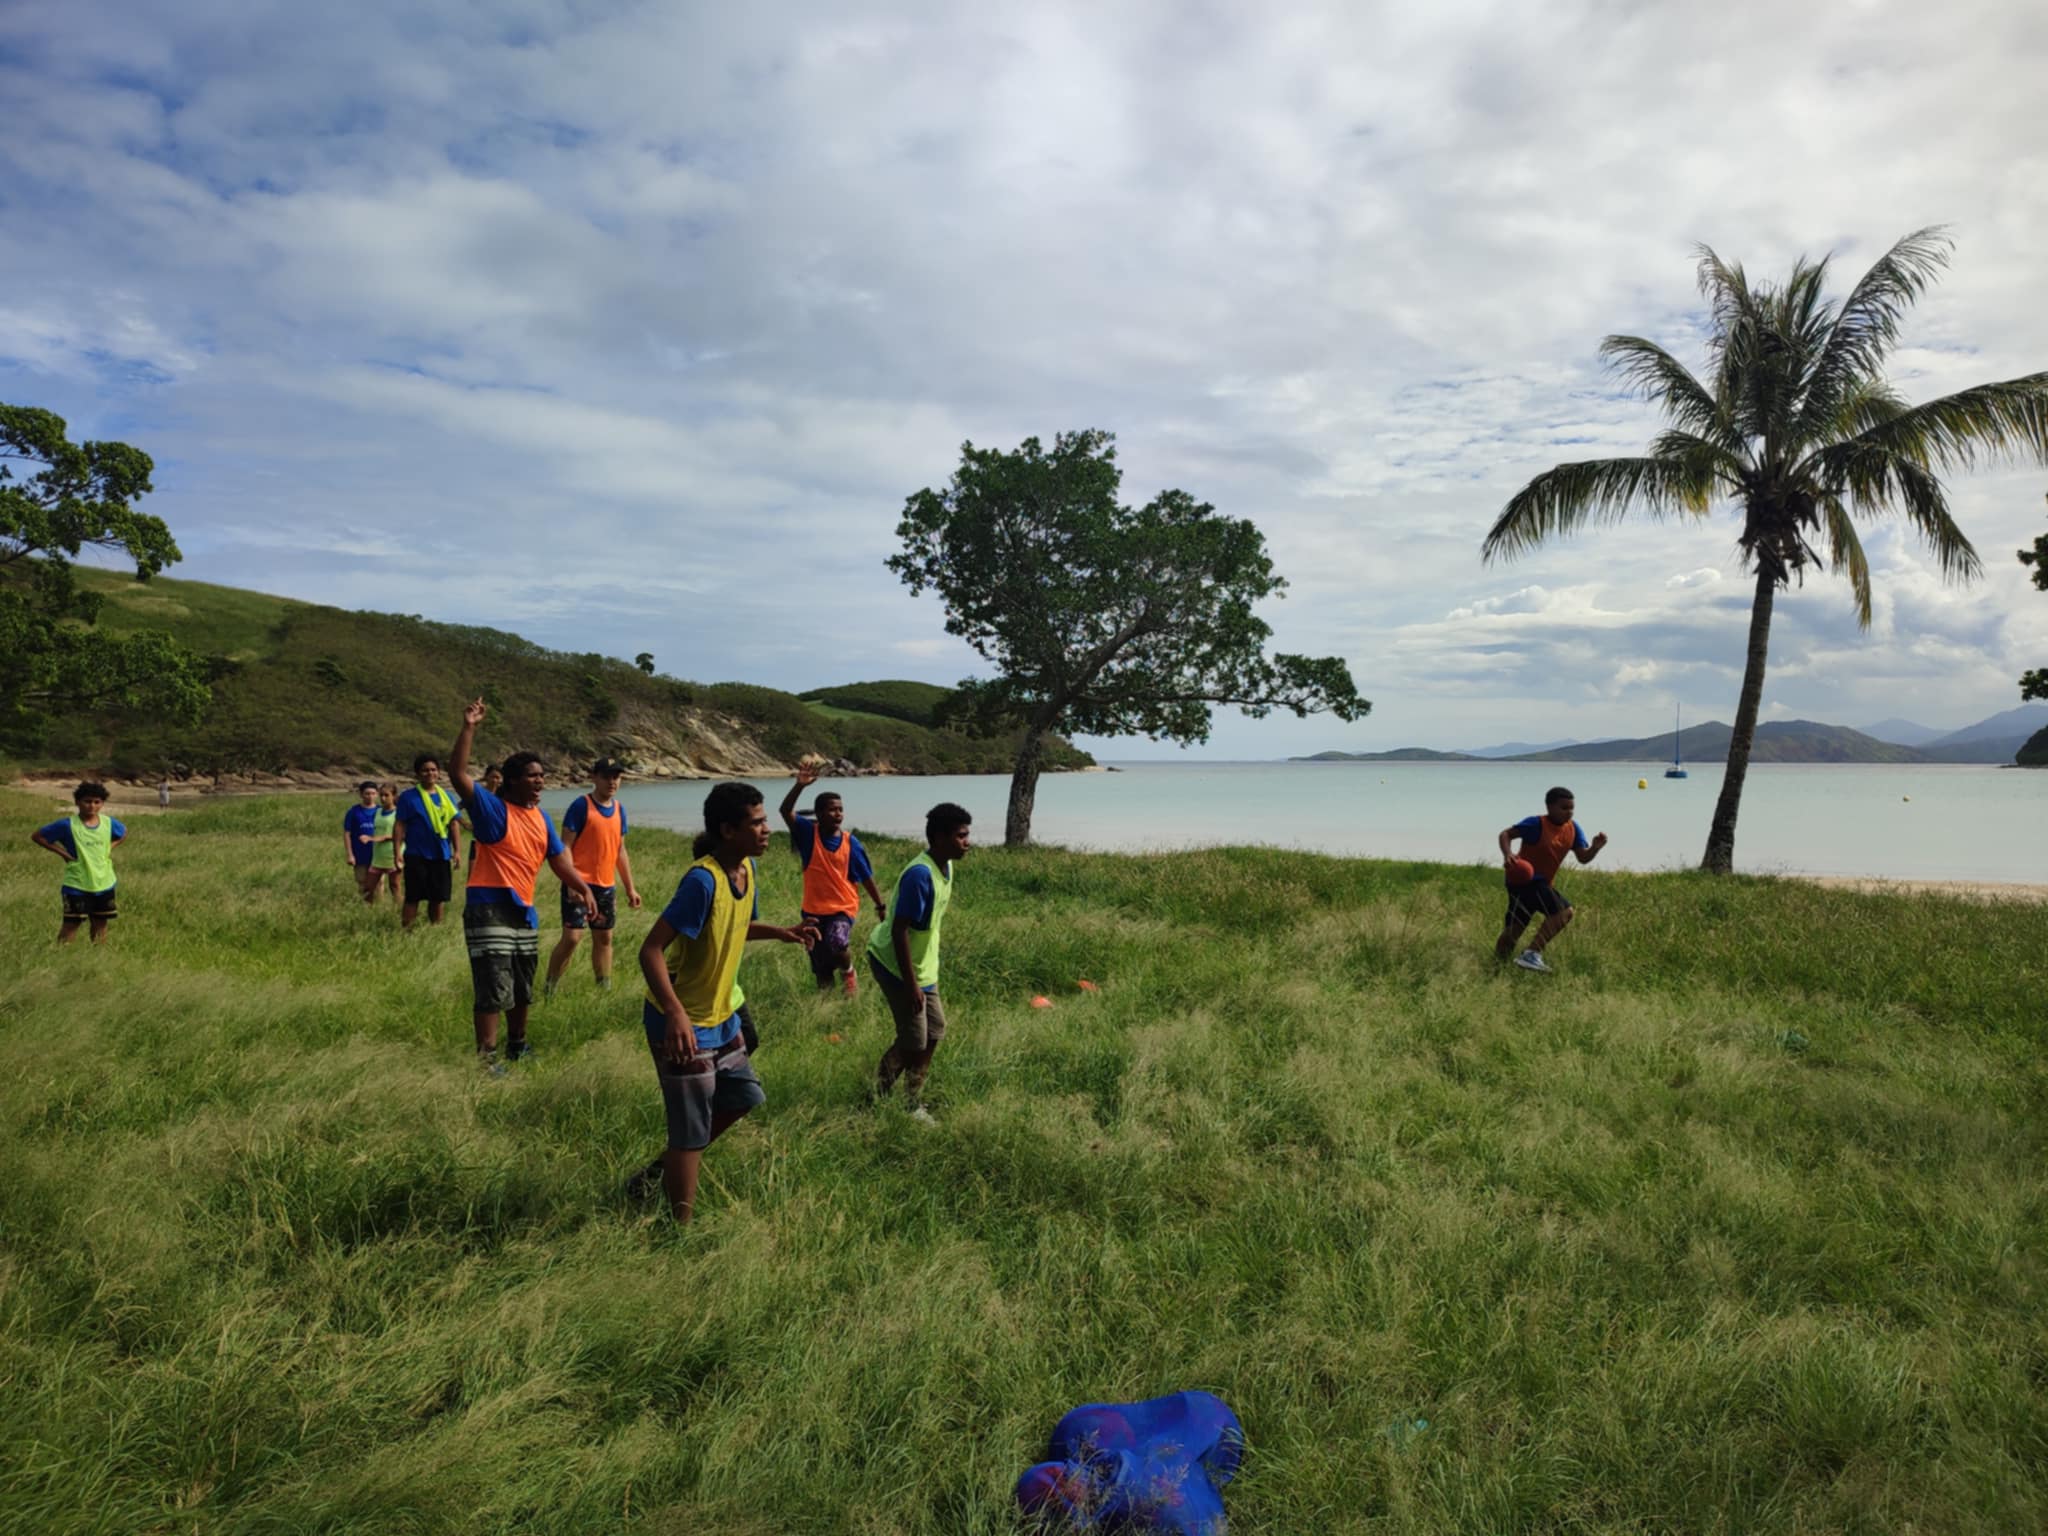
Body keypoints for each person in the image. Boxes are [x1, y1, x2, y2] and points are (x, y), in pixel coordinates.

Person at [627, 782, 815, 1223]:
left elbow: (735, 925)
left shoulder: (746, 869)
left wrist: (781, 933)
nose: (767, 829)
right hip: (684, 1022)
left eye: (765, 820)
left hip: (722, 1017)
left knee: (743, 1097)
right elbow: (650, 950)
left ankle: (661, 1172)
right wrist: (675, 1014)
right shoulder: (702, 880)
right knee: (689, 1131)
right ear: (728, 830)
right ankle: (680, 1230)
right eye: (758, 823)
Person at [447, 698, 599, 1070]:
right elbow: (457, 774)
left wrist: (582, 886)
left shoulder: (541, 818)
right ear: (512, 780)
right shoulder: (493, 809)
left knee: (521, 984)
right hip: (489, 907)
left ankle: (518, 1046)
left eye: (542, 776)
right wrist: (469, 727)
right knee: (493, 984)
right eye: (533, 776)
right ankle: (486, 1059)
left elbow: (558, 858)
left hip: (524, 911)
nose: (540, 781)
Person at [867, 802, 972, 1120]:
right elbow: (899, 932)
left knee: (934, 1031)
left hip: (923, 967)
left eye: (967, 835)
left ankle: (912, 1099)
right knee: (913, 1040)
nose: (967, 842)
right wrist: (912, 986)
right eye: (960, 836)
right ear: (939, 838)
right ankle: (875, 1098)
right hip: (895, 965)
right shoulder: (919, 876)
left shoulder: (946, 865)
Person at [778, 765, 887, 995]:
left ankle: (848, 971)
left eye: (840, 810)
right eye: (831, 810)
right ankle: (827, 1006)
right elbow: (785, 810)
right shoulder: (808, 834)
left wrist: (880, 905)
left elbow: (866, 876)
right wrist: (799, 786)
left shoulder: (850, 843)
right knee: (821, 968)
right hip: (813, 910)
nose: (838, 814)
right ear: (818, 814)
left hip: (842, 908)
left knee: (837, 942)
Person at [545, 758, 642, 994]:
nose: (612, 782)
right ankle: (549, 988)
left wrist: (630, 888)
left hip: (606, 886)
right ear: (594, 778)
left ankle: (603, 988)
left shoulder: (619, 810)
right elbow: (565, 846)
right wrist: (571, 882)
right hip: (579, 884)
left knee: (604, 939)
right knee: (572, 938)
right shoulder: (581, 806)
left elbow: (620, 850)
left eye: (616, 777)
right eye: (606, 777)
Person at [1495, 785, 1608, 973]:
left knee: (1514, 929)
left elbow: (1583, 858)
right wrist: (1508, 854)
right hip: (1524, 879)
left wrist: (1595, 848)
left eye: (1571, 808)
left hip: (1539, 883)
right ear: (1549, 807)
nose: (1569, 812)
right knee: (1564, 912)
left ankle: (1496, 968)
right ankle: (1531, 954)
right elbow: (1506, 834)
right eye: (1564, 808)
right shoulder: (1536, 823)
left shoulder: (1573, 829)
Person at [31, 782, 127, 944]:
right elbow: (38, 837)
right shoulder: (67, 825)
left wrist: (109, 847)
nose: (92, 806)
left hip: (104, 882)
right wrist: (64, 854)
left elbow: (123, 833)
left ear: (102, 803)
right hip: (77, 884)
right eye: (87, 801)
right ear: (77, 802)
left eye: (97, 802)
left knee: (100, 922)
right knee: (72, 923)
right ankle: (62, 954)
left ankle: (99, 955)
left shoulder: (109, 823)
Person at [394, 752, 463, 928]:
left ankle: (435, 929)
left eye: (433, 770)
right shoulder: (408, 797)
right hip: (416, 854)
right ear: (418, 774)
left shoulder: (447, 797)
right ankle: (407, 931)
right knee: (413, 896)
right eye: (425, 770)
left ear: (438, 772)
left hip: (441, 854)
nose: (430, 773)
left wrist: (457, 851)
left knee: (438, 897)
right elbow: (400, 825)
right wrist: (397, 852)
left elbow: (454, 824)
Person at [343, 780, 381, 903]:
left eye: (373, 793)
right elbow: (347, 833)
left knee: (379, 882)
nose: (370, 796)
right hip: (359, 853)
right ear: (361, 794)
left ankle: (378, 905)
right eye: (367, 793)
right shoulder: (353, 812)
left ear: (377, 794)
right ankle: (366, 905)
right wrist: (350, 854)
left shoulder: (381, 811)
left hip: (378, 853)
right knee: (362, 881)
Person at [368, 783, 401, 903]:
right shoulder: (377, 812)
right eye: (381, 795)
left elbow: (404, 834)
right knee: (368, 888)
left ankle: (398, 909)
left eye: (386, 795)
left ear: (394, 796)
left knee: (394, 886)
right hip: (378, 855)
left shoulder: (399, 813)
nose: (383, 798)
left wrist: (384, 837)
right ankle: (368, 909)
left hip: (393, 854)